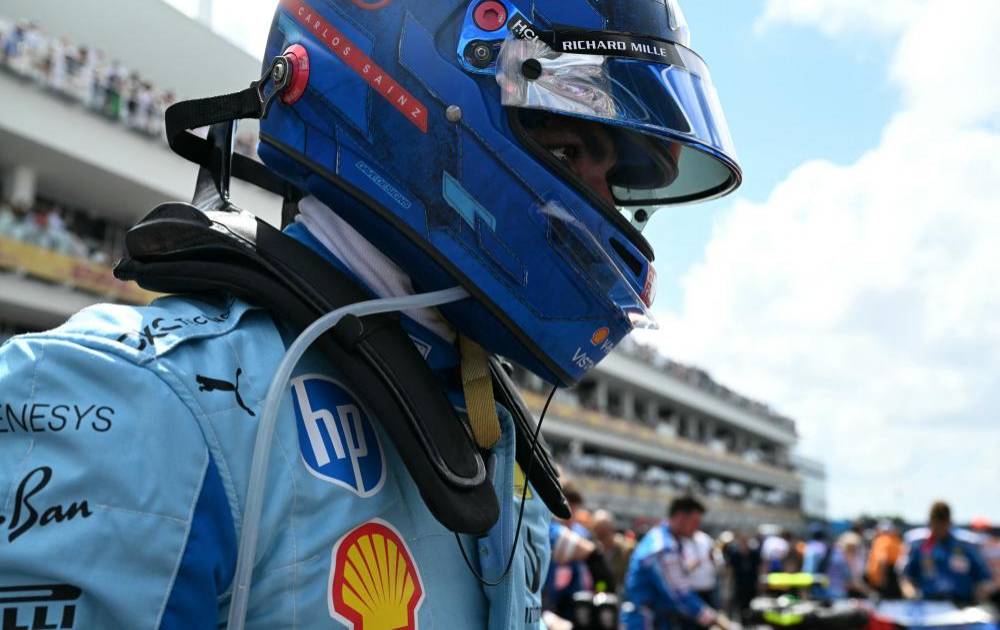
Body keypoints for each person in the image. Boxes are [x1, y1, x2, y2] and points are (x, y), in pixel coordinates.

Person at [0, 0, 741, 627]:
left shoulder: (488, 428)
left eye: (612, 180)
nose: (603, 208)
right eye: (573, 148)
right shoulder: (143, 399)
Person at [621, 497, 733, 630]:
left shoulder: (667, 539)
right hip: (646, 620)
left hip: (657, 617)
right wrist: (716, 620)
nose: (697, 528)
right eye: (695, 522)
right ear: (680, 517)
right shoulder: (663, 547)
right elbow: (679, 593)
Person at [902, 501, 993, 606]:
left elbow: (984, 579)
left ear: (949, 522)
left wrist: (979, 597)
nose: (939, 528)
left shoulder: (966, 546)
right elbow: (906, 578)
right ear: (930, 522)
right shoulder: (919, 545)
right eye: (936, 524)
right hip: (928, 604)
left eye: (943, 524)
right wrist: (912, 595)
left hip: (961, 605)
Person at [592, 509, 635, 594]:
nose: (602, 536)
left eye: (605, 530)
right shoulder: (594, 550)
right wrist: (600, 591)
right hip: (601, 592)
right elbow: (600, 579)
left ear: (612, 529)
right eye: (598, 531)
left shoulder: (626, 550)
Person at [724, 531, 762, 623]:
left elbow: (759, 568)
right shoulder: (735, 555)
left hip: (752, 583)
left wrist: (760, 582)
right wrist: (728, 584)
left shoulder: (754, 554)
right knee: (740, 606)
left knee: (752, 605)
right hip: (739, 584)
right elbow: (730, 570)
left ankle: (751, 622)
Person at [866, 520, 904, 599]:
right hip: (895, 575)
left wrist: (882, 580)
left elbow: (882, 560)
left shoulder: (882, 540)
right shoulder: (896, 540)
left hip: (886, 577)